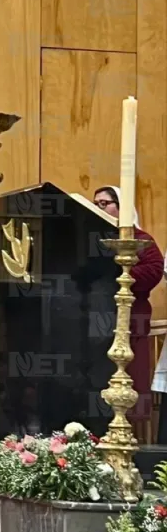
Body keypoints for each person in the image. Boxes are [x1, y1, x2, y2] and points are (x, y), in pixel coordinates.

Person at [94, 186, 167, 441]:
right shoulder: (90, 237)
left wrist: (120, 274)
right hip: (92, 325)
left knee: (129, 381)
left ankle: (128, 441)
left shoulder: (140, 239)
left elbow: (155, 269)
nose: (101, 208)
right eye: (97, 204)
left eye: (106, 203)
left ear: (121, 208)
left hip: (129, 321)